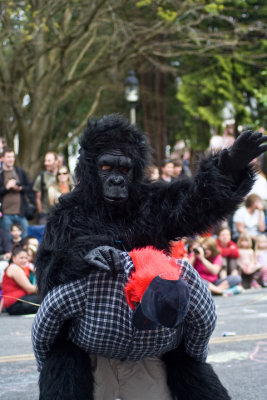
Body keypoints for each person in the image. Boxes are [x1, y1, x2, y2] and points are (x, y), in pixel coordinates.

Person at [32, 116, 267, 400]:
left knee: (194, 374)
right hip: (89, 349)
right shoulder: (68, 213)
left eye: (124, 169)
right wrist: (82, 257)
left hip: (152, 346)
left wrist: (229, 166)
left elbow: (194, 205)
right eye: (107, 167)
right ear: (90, 168)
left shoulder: (150, 202)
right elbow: (46, 277)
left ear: (136, 171)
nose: (117, 178)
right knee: (61, 367)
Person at [0, 147, 32, 238]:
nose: (11, 159)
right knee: (8, 240)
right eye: (8, 157)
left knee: (24, 238)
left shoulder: (19, 172)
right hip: (5, 214)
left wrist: (20, 188)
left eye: (12, 157)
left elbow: (30, 187)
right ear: (2, 158)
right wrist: (6, 187)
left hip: (21, 213)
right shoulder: (1, 174)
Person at [1, 246, 40, 315]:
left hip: (17, 302)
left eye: (26, 258)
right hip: (16, 303)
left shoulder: (19, 268)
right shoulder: (15, 268)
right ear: (13, 258)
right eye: (21, 258)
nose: (24, 260)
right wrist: (46, 288)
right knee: (45, 300)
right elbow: (30, 289)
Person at [33, 151, 58, 225]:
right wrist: (41, 213)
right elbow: (37, 198)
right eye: (45, 161)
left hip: (62, 214)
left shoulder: (64, 175)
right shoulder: (41, 177)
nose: (46, 163)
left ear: (56, 161)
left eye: (49, 161)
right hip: (46, 214)